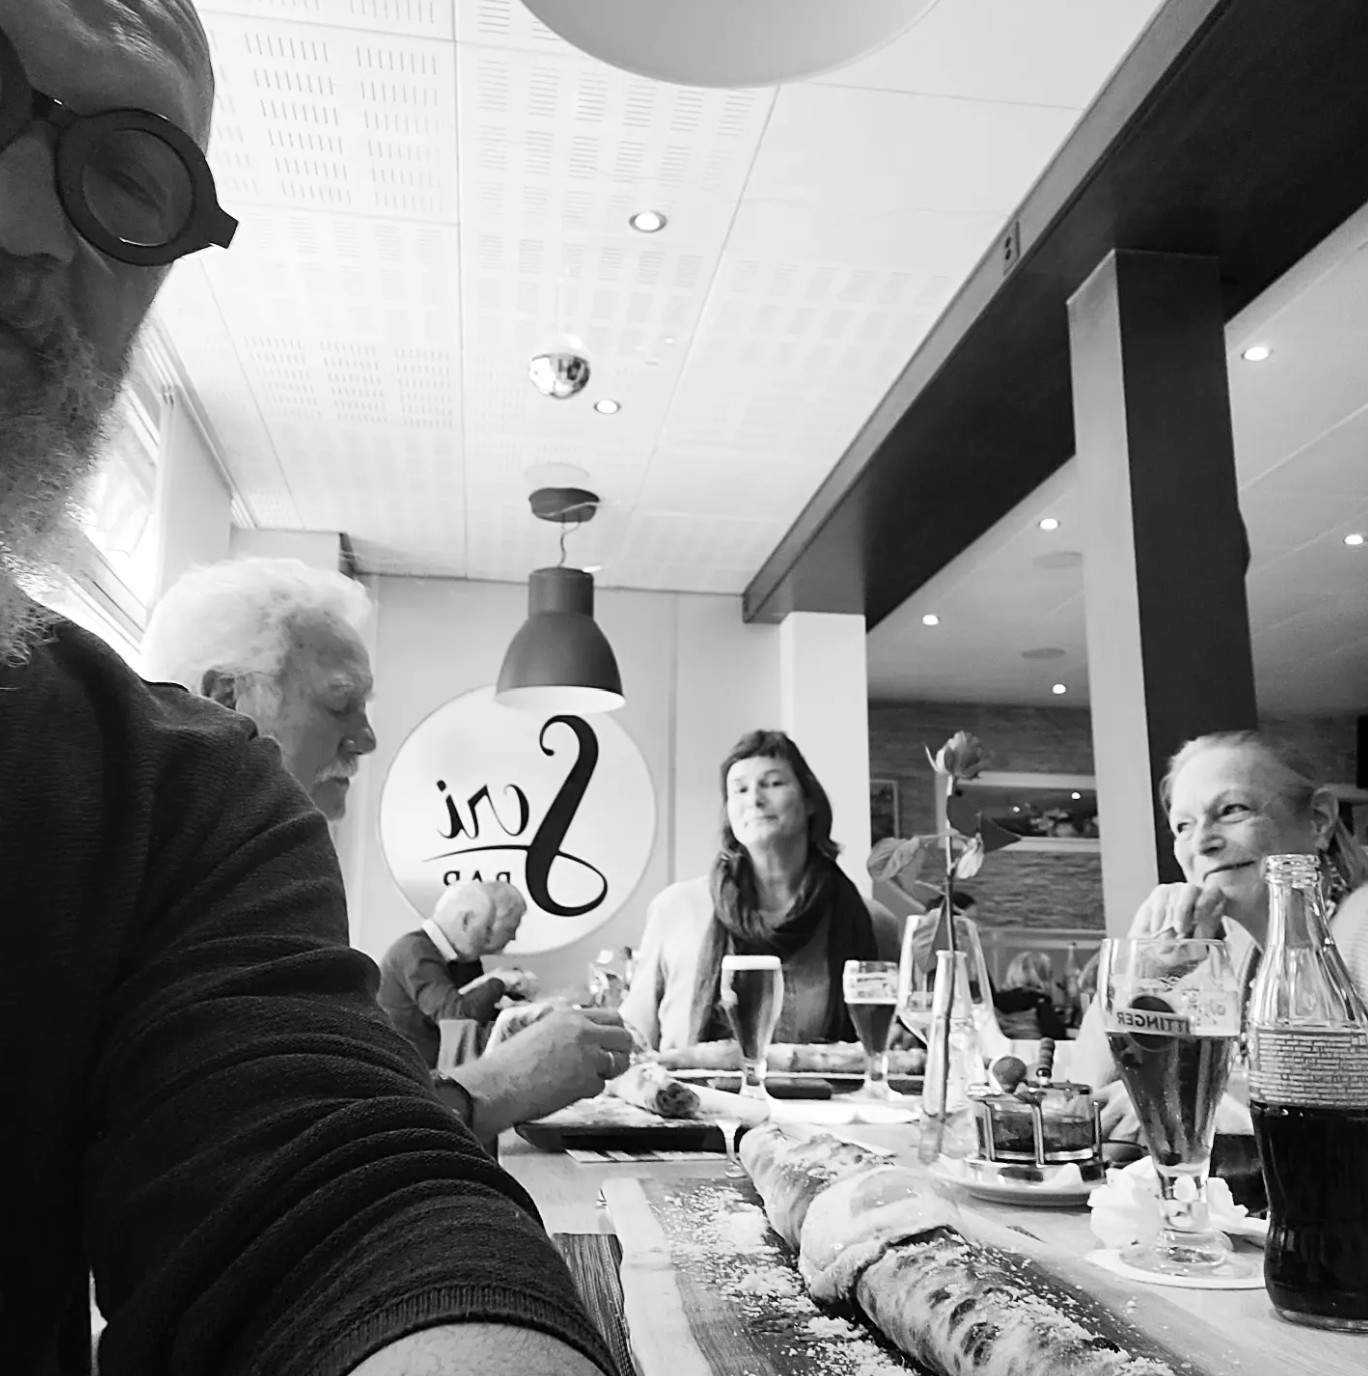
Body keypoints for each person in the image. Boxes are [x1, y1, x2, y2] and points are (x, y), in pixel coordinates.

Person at [2, 6, 616, 1373]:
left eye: (129, 179)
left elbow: (319, 1195)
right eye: (343, 708)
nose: (31, 222)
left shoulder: (185, 817)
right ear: (230, 688)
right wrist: (491, 1080)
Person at [144, 556, 634, 1140]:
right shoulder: (167, 888)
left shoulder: (237, 873)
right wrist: (496, 1085)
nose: (367, 738)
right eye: (339, 703)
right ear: (226, 699)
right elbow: (268, 1132)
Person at [1073, 730, 1368, 1139]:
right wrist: (1141, 962)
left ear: (1318, 819)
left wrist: (1209, 1112)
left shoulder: (1360, 928)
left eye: (1232, 810)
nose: (1202, 843)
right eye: (1183, 826)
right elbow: (1088, 1092)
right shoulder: (1234, 949)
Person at [621, 729, 901, 1050]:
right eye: (739, 790)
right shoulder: (676, 909)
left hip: (827, 1085)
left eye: (773, 783)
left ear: (810, 801)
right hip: (689, 1083)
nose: (754, 799)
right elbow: (635, 1032)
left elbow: (891, 1040)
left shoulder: (872, 922)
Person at [377, 880, 537, 1068]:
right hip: (408, 1075)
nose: (487, 939)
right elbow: (455, 1019)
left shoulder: (451, 956)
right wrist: (498, 982)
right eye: (486, 929)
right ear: (465, 921)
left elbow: (473, 1015)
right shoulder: (415, 952)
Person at [993, 951, 1071, 1041]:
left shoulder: (995, 1002)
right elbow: (1056, 1034)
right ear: (1042, 979)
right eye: (1050, 975)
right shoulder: (1040, 1002)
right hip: (1032, 1048)